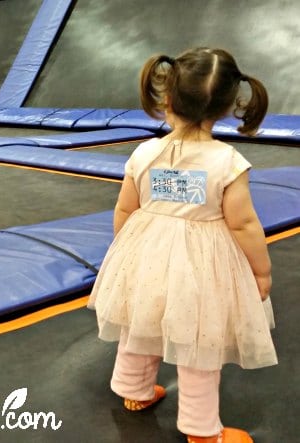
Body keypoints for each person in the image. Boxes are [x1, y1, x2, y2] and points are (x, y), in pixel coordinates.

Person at [87, 47, 277, 443]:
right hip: (200, 266)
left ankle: (133, 390)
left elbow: (125, 208)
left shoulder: (144, 152)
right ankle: (202, 430)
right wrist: (260, 270)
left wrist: (128, 255)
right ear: (228, 106)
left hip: (146, 255)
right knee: (199, 342)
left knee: (140, 325)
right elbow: (242, 224)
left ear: (167, 99)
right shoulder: (227, 162)